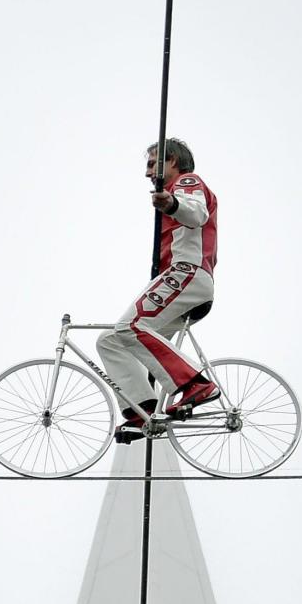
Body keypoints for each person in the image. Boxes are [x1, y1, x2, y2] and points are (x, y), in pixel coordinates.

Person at [97, 138, 219, 438]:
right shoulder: (177, 185)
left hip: (186, 274)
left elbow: (196, 212)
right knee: (110, 340)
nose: (148, 173)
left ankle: (195, 384)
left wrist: (172, 203)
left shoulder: (187, 182)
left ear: (173, 161)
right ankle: (143, 410)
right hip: (180, 280)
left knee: (130, 326)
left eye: (153, 164)